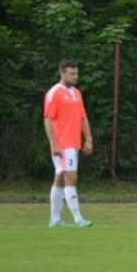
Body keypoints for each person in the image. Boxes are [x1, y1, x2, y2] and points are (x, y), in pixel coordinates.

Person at [44, 60, 94, 227]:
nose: (75, 77)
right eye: (72, 74)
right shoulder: (54, 93)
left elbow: (82, 117)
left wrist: (88, 138)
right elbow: (48, 119)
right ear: (62, 73)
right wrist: (54, 144)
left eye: (76, 73)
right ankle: (78, 219)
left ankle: (55, 220)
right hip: (62, 145)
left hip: (73, 143)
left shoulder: (77, 93)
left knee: (59, 179)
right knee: (71, 179)